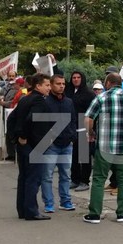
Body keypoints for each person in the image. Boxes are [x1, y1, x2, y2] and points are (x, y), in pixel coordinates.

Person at [83, 73, 123, 224]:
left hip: (105, 146)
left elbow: (88, 119)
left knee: (99, 179)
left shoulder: (101, 98)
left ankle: (94, 215)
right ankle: (122, 213)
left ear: (109, 83)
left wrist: (91, 133)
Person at [9, 73, 52, 220]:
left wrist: (14, 138)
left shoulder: (25, 99)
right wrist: (22, 136)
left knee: (24, 177)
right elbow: (31, 119)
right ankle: (31, 211)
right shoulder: (38, 101)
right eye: (47, 85)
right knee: (33, 178)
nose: (49, 88)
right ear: (38, 86)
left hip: (25, 145)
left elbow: (11, 118)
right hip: (34, 144)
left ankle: (23, 209)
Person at [41, 73, 77, 213]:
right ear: (51, 85)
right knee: (47, 176)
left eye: (63, 84)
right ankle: (49, 203)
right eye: (58, 84)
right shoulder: (45, 102)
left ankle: (65, 201)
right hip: (50, 145)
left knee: (65, 175)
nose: (61, 86)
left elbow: (73, 120)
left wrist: (72, 136)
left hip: (67, 144)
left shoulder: (69, 102)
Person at [67, 71, 96, 192]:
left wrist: (91, 130)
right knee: (74, 156)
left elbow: (93, 113)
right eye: (73, 77)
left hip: (84, 126)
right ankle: (75, 179)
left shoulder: (89, 94)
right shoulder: (68, 92)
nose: (76, 79)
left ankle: (84, 181)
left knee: (84, 156)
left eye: (78, 77)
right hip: (71, 126)